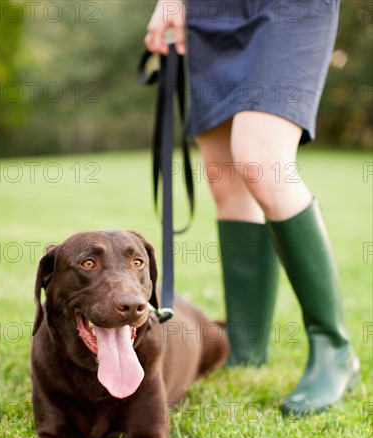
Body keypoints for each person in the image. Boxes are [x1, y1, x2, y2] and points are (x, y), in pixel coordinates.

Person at [144, 0, 360, 415]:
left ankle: (334, 348)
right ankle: (246, 345)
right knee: (225, 179)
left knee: (262, 161)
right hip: (213, 12)